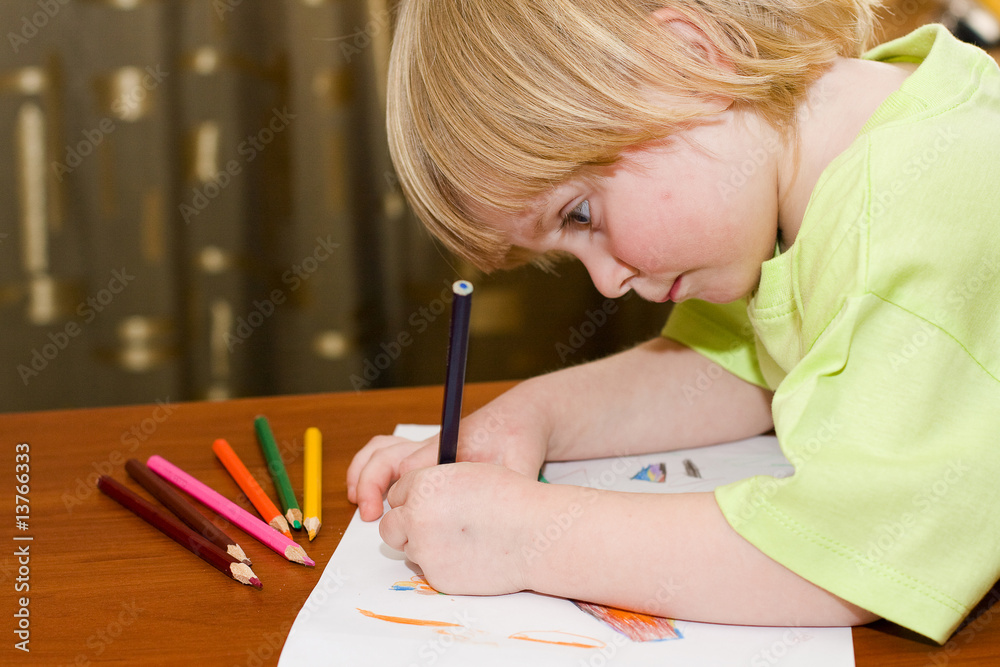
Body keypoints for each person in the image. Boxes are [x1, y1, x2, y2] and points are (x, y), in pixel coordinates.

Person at [347, 0, 1000, 644]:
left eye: (579, 215)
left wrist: (523, 536)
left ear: (684, 61)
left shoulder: (918, 209)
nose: (607, 282)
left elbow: (851, 553)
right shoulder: (812, 169)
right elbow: (730, 370)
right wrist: (528, 418)